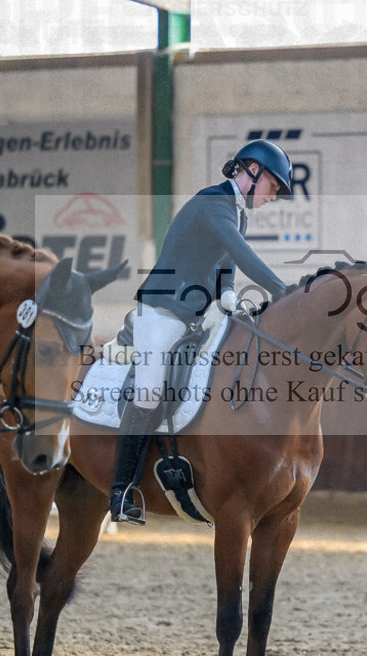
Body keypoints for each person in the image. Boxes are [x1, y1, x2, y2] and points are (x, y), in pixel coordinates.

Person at [109, 139, 293, 524]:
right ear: (253, 171)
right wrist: (283, 291)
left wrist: (226, 295)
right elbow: (243, 255)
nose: (274, 195)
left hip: (197, 313)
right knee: (149, 390)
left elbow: (226, 263)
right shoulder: (213, 204)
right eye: (274, 186)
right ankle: (121, 489)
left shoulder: (237, 214)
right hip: (161, 309)